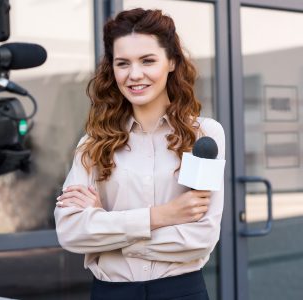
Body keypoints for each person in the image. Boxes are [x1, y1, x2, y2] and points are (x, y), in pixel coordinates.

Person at [54, 8, 225, 300]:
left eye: (147, 60)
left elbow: (201, 238)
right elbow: (71, 231)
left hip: (181, 291)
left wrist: (107, 231)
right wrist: (163, 216)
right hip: (110, 293)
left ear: (171, 62)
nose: (134, 75)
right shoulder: (93, 144)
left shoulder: (203, 137)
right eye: (123, 63)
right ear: (113, 69)